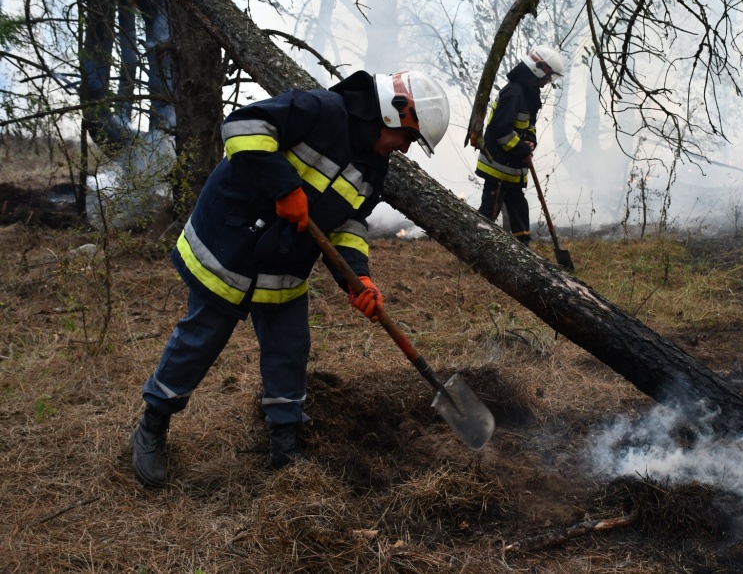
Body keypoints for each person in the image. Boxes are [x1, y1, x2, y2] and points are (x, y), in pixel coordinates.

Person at [129, 70, 450, 488]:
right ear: (393, 112)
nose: (404, 148)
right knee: (202, 337)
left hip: (285, 261)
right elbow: (242, 127)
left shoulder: (374, 169)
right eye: (408, 137)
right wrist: (284, 188)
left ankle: (284, 443)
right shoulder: (320, 110)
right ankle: (152, 425)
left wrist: (360, 278)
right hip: (232, 241)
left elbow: (349, 224)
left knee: (289, 349)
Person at [474, 45, 565, 246]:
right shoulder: (513, 93)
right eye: (548, 76)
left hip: (512, 168)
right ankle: (475, 246)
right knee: (489, 212)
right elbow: (500, 130)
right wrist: (522, 150)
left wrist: (531, 140)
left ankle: (522, 248)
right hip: (498, 167)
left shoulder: (529, 94)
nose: (548, 81)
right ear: (538, 69)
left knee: (519, 210)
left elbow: (528, 125)